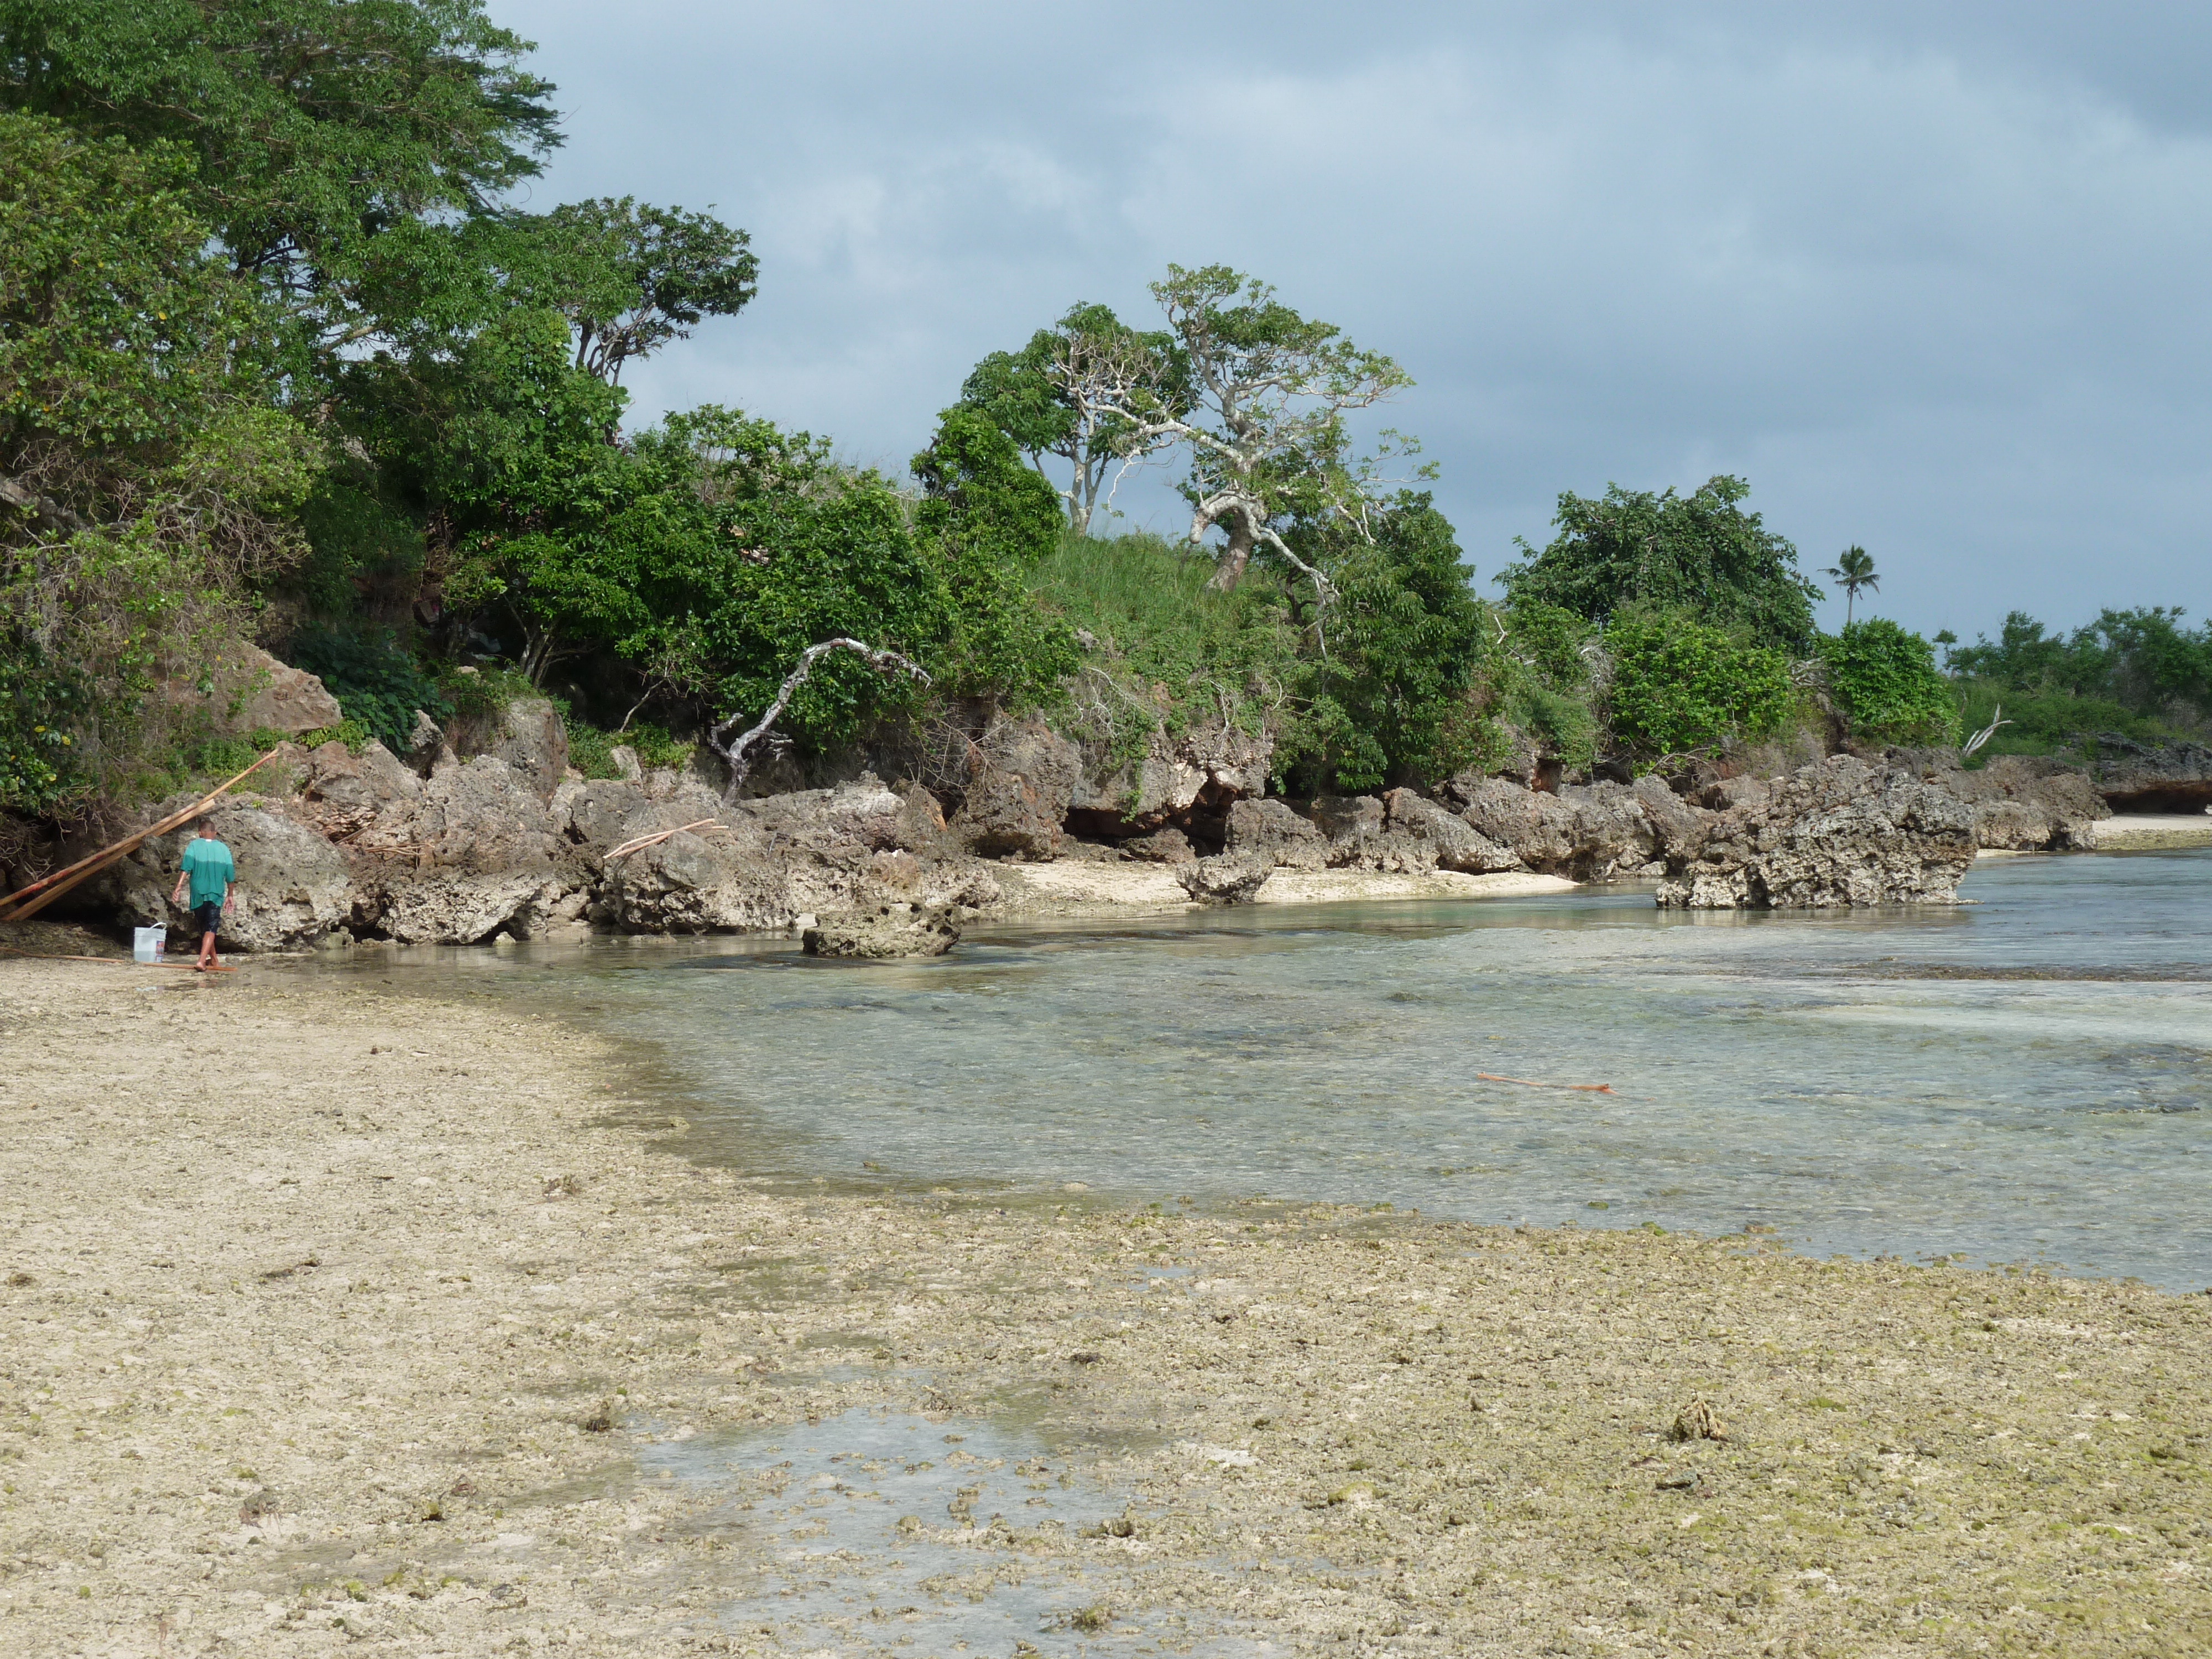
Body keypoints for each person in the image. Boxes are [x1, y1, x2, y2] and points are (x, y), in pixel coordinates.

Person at [170, 817, 236, 972]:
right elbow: (230, 875)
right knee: (211, 927)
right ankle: (201, 961)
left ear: (200, 833)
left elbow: (186, 868)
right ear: (215, 833)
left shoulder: (193, 846)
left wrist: (178, 887)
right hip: (216, 892)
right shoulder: (224, 849)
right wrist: (230, 895)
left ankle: (214, 960)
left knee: (205, 927)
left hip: (198, 892)